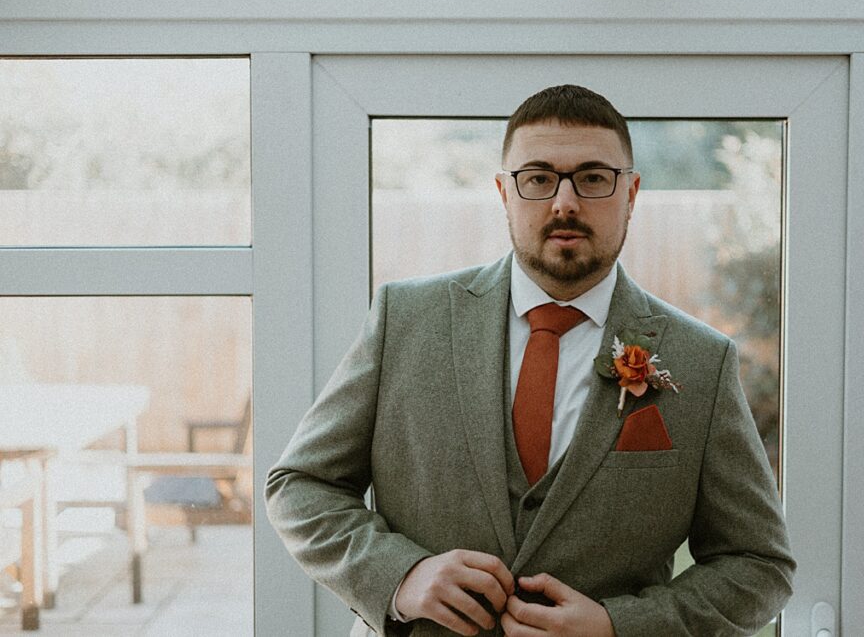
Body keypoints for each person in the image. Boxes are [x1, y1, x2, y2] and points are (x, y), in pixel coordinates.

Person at [265, 85, 795, 636]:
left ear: (631, 194)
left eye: (593, 178)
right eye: (539, 178)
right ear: (503, 192)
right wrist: (402, 575)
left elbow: (759, 566)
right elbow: (300, 486)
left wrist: (619, 627)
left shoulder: (701, 362)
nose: (564, 202)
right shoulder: (405, 320)